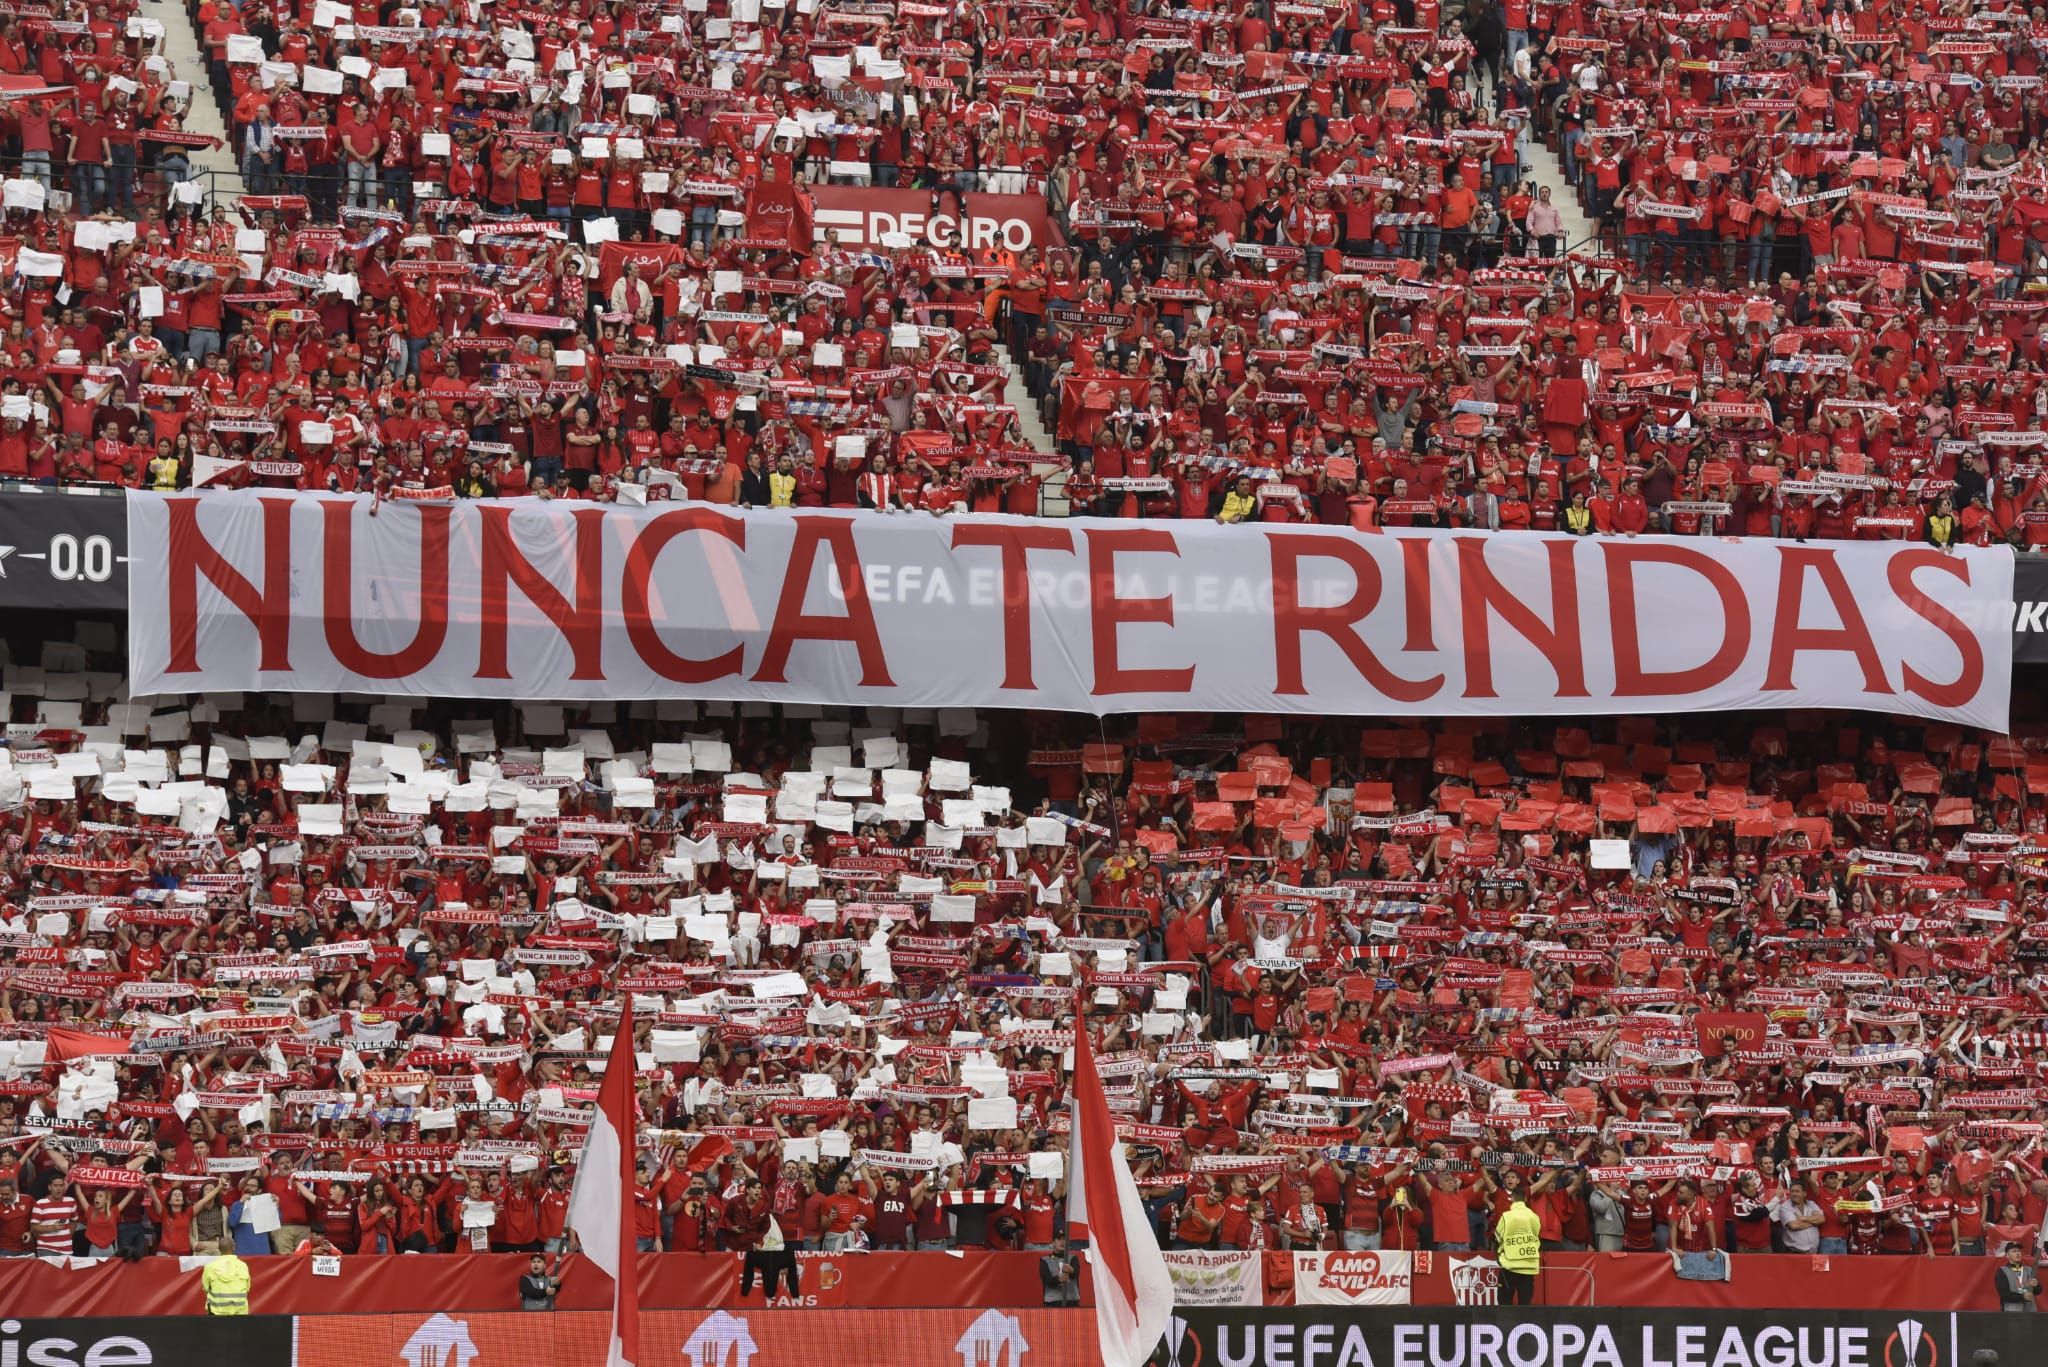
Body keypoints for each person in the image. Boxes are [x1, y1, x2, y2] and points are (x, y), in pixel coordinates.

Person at [1495, 1191, 1542, 1307]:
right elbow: (1536, 1234)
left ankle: (1506, 1325)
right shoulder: (1534, 1216)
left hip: (1509, 1265)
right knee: (1525, 1304)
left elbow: (1498, 1236)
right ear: (1525, 1199)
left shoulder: (1506, 1216)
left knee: (1504, 1302)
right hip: (1529, 1266)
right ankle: (1524, 1324)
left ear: (1512, 1199)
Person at [201, 1251, 251, 1316]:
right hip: (241, 1313)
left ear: (219, 1250)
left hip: (216, 1313)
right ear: (233, 1248)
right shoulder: (243, 1266)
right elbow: (247, 1288)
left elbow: (205, 1288)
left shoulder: (209, 1266)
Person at [1039, 1232, 1080, 1307]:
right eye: (1059, 1239)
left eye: (1064, 1239)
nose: (1062, 1242)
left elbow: (1076, 1274)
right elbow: (1047, 1280)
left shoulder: (1073, 1258)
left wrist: (1071, 1271)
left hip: (1071, 1300)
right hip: (1053, 1301)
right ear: (1053, 1243)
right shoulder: (1044, 1260)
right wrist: (1059, 1279)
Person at [1996, 1246, 2039, 1313]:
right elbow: (2004, 1294)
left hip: (2030, 1311)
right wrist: (2022, 1296)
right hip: (2012, 1312)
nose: (2018, 1253)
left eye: (2019, 1251)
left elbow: (2038, 1291)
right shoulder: (2002, 1271)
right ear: (2007, 1255)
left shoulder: (2029, 1270)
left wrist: (2036, 1286)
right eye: (2014, 1251)